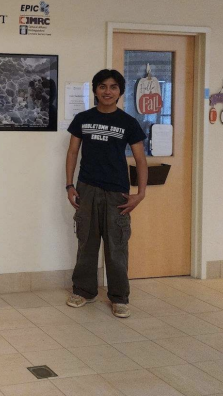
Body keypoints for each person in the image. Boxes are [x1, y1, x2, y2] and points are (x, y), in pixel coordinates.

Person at [65, 69, 148, 318]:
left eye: (113, 87)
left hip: (117, 193)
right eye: (102, 86)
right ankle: (84, 291)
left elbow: (141, 160)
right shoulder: (82, 119)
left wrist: (140, 193)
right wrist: (69, 186)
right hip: (86, 189)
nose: (107, 91)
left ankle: (119, 298)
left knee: (117, 246)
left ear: (120, 92)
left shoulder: (128, 123)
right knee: (86, 243)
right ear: (95, 90)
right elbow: (72, 153)